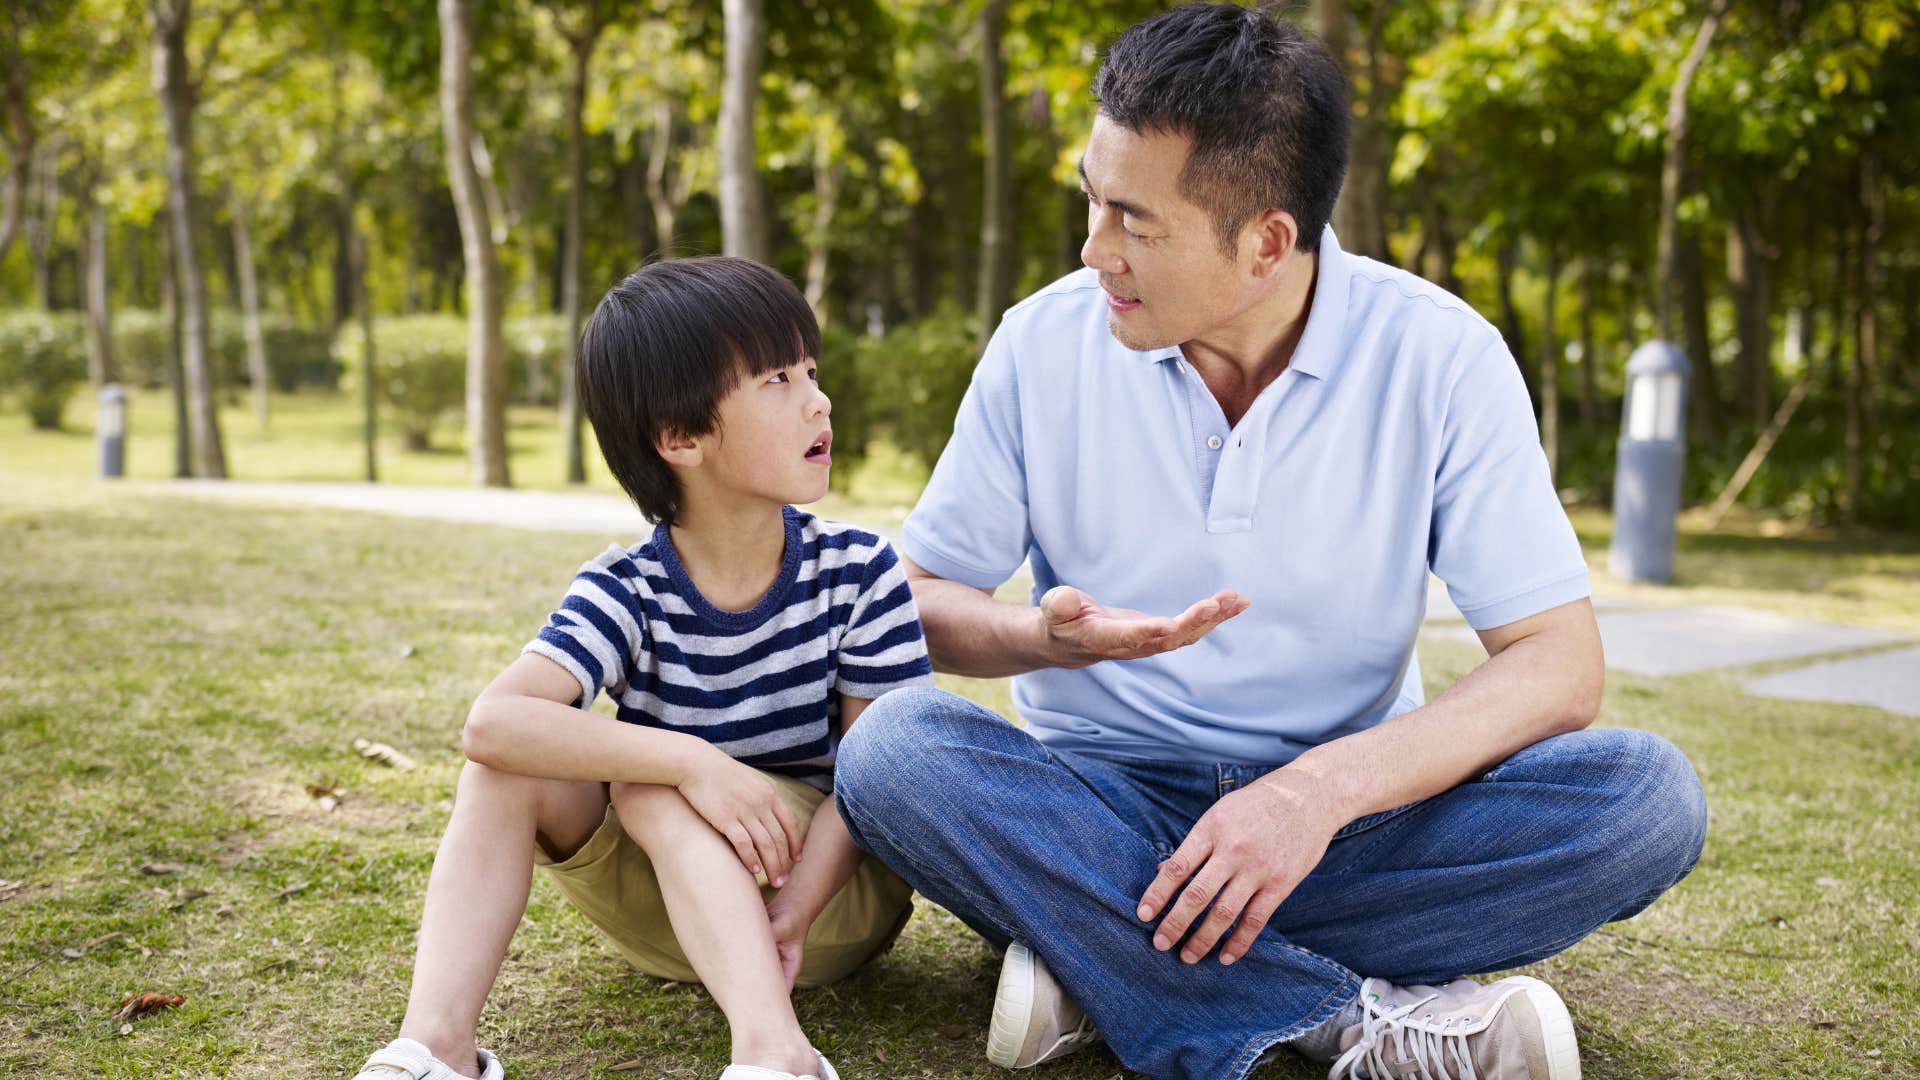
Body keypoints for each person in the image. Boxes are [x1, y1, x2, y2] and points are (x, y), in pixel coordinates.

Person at [831, 6, 1708, 1080]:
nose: (1091, 248)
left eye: (1132, 221)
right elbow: (915, 606)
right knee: (895, 752)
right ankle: (1340, 1019)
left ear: (1267, 243)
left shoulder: (1441, 357)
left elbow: (1559, 667)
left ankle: (1098, 956)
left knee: (1644, 801)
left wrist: (1313, 796)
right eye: (1090, 199)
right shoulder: (1040, 344)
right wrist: (1038, 639)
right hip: (1102, 803)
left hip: (1350, 821)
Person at [352, 257, 933, 1080]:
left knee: (647, 785)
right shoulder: (626, 586)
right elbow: (493, 723)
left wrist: (795, 906)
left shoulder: (859, 569)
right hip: (669, 913)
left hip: (822, 906)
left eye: (811, 370)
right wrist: (693, 763)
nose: (818, 399)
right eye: (775, 378)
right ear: (679, 437)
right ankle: (434, 1048)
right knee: (518, 769)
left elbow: (884, 776)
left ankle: (777, 1055)